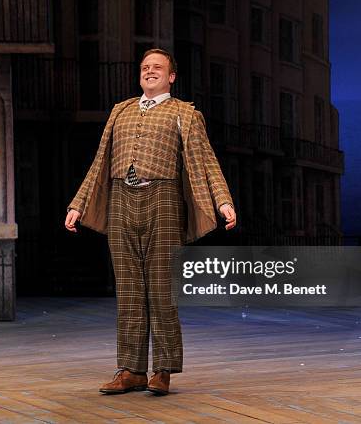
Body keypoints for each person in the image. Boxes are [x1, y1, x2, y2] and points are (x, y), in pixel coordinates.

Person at [64, 49, 236, 395]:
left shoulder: (184, 114)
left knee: (161, 287)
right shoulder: (120, 111)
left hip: (163, 198)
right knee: (128, 289)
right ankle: (130, 370)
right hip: (120, 198)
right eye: (145, 68)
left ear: (171, 76)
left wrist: (223, 201)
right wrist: (78, 204)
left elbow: (206, 161)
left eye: (157, 68)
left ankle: (163, 369)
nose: (149, 71)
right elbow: (100, 162)